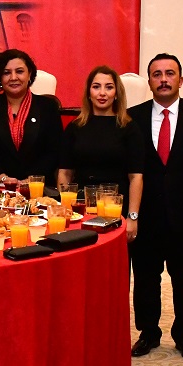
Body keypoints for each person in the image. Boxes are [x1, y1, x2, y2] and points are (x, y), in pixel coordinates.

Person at [128, 53, 183, 362]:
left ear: (180, 79)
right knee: (145, 279)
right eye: (157, 74)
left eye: (169, 73)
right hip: (146, 215)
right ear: (149, 81)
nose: (163, 79)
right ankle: (148, 333)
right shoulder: (132, 117)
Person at [57, 65, 144, 243]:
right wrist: (65, 210)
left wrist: (133, 217)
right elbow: (64, 173)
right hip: (80, 209)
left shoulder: (129, 128)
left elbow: (136, 177)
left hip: (116, 209)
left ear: (117, 93)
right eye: (96, 87)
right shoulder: (75, 127)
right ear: (89, 93)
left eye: (109, 87)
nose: (102, 93)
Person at [0, 49, 63, 188]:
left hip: (38, 188)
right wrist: (3, 178)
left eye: (19, 71)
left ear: (29, 74)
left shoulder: (48, 107)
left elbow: (54, 151)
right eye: (6, 73)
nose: (13, 77)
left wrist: (30, 180)